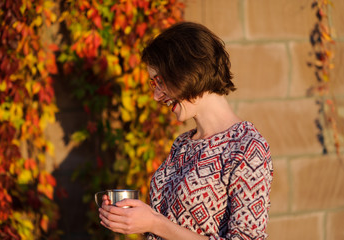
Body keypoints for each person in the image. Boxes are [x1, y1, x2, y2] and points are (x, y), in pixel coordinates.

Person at [98, 21, 274, 240]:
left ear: (187, 70)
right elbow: (174, 224)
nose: (156, 96)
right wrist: (135, 219)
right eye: (154, 84)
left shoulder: (247, 147)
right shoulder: (183, 143)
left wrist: (155, 222)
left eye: (160, 81)